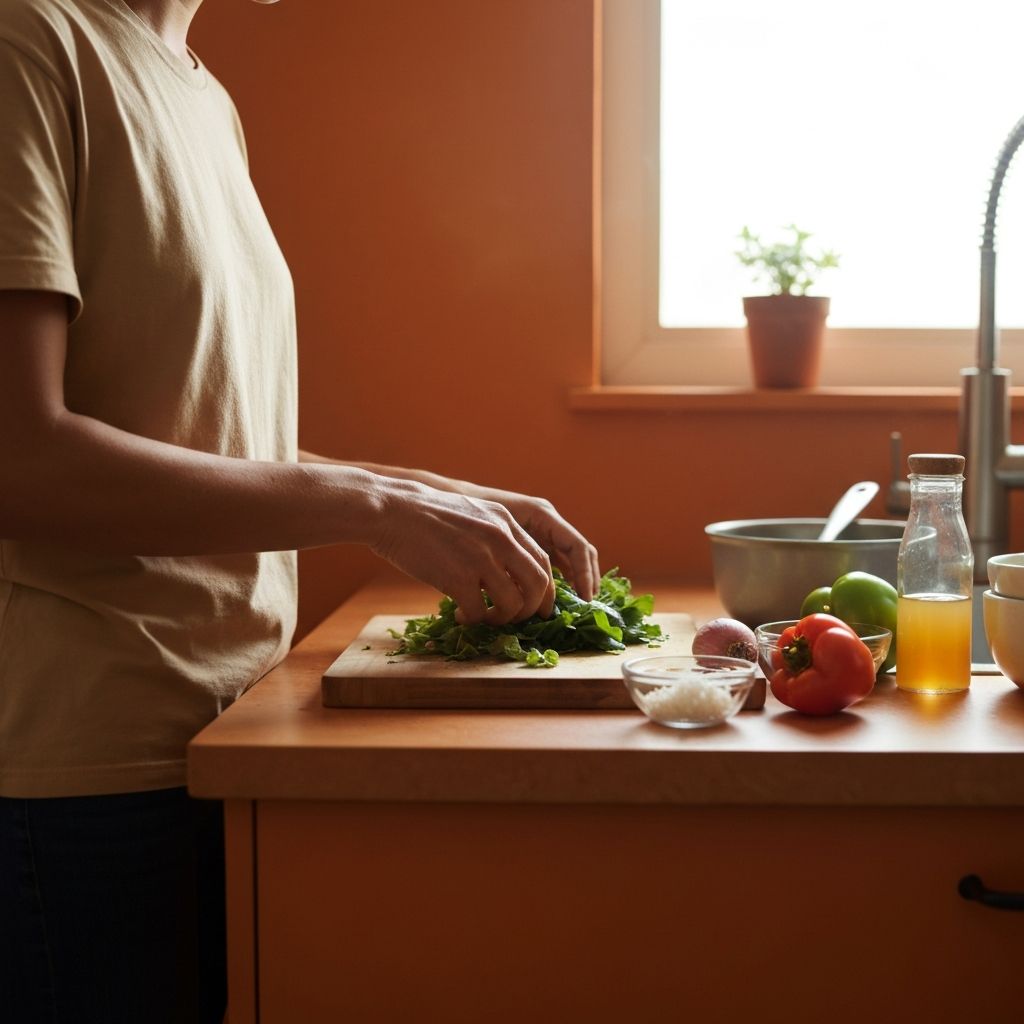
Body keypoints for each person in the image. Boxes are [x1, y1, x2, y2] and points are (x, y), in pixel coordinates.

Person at [0, 1, 600, 1021]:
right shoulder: (29, 43)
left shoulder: (196, 89)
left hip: (232, 731)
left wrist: (422, 494)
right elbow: (20, 457)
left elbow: (207, 437)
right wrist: (364, 499)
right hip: (84, 776)